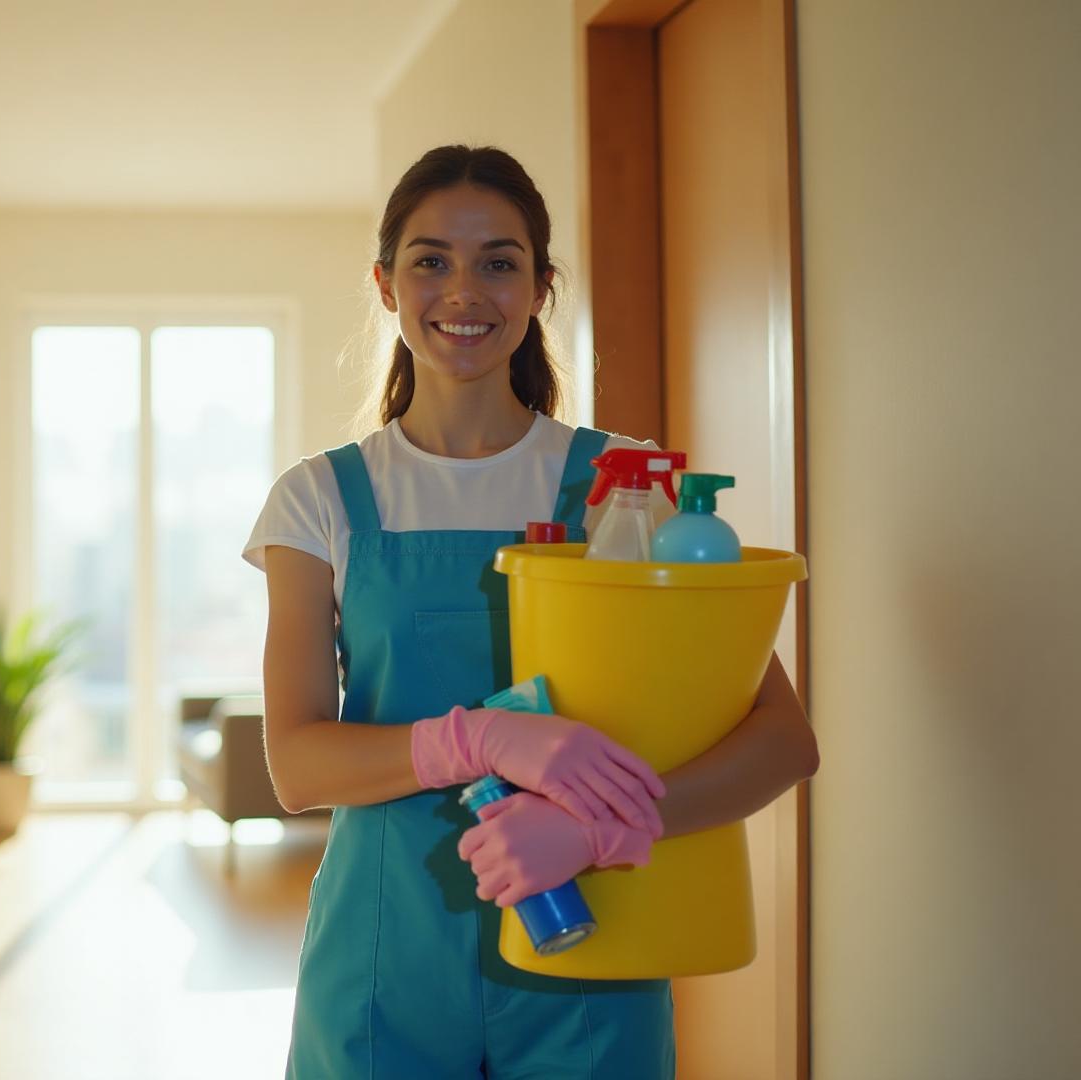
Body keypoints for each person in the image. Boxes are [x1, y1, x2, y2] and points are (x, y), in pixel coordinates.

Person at [242, 144, 819, 1078]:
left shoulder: (623, 490)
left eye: (498, 262)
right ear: (386, 285)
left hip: (593, 934)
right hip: (386, 957)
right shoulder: (320, 501)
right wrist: (476, 741)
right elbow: (297, 764)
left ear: (541, 288)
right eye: (431, 260)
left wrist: (603, 827)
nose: (463, 290)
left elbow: (783, 738)